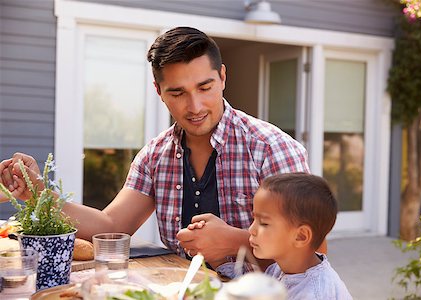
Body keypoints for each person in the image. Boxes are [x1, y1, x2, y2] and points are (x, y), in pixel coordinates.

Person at [0, 27, 313, 270]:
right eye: (177, 93)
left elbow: (313, 247)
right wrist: (38, 193)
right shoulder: (155, 155)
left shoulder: (272, 148)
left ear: (222, 77)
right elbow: (111, 226)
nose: (195, 106)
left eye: (205, 88)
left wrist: (236, 241)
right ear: (159, 91)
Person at [247, 172, 352, 299]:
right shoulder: (278, 269)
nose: (251, 229)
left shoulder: (313, 294)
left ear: (301, 236)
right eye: (254, 220)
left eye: (264, 223)